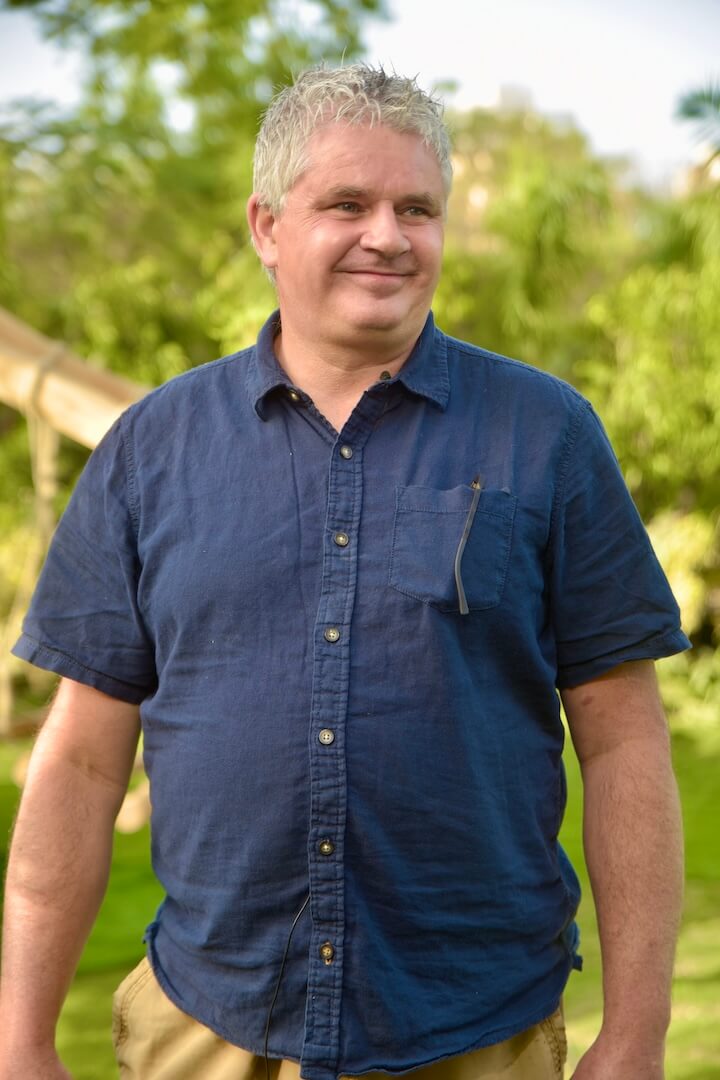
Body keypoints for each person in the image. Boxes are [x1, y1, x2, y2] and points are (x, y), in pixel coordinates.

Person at [0, 64, 688, 1080]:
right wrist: (19, 1039)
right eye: (347, 204)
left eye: (419, 207)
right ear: (268, 225)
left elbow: (626, 739)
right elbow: (82, 760)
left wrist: (635, 1035)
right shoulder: (153, 449)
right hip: (208, 1024)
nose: (389, 235)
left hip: (476, 1030)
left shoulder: (547, 434)